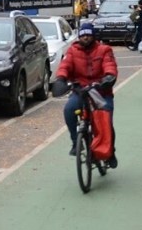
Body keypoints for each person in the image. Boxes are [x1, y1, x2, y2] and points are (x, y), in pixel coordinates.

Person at [51, 21, 118, 164]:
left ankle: (110, 152)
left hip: (101, 92)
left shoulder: (104, 50)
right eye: (82, 35)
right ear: (79, 37)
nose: (85, 38)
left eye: (88, 35)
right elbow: (65, 65)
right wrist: (61, 79)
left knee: (106, 122)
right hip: (80, 91)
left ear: (93, 36)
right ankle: (76, 142)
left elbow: (109, 66)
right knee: (69, 109)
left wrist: (108, 78)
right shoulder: (72, 50)